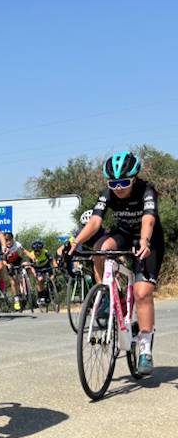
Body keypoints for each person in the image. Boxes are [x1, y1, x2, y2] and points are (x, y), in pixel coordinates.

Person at [71, 151, 164, 376]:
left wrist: (143, 241)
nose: (118, 187)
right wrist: (75, 243)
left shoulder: (146, 190)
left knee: (142, 293)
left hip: (148, 238)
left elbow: (148, 219)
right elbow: (94, 222)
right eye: (113, 183)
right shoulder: (109, 194)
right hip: (123, 233)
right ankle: (110, 295)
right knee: (101, 249)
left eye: (124, 182)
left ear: (134, 178)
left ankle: (144, 348)